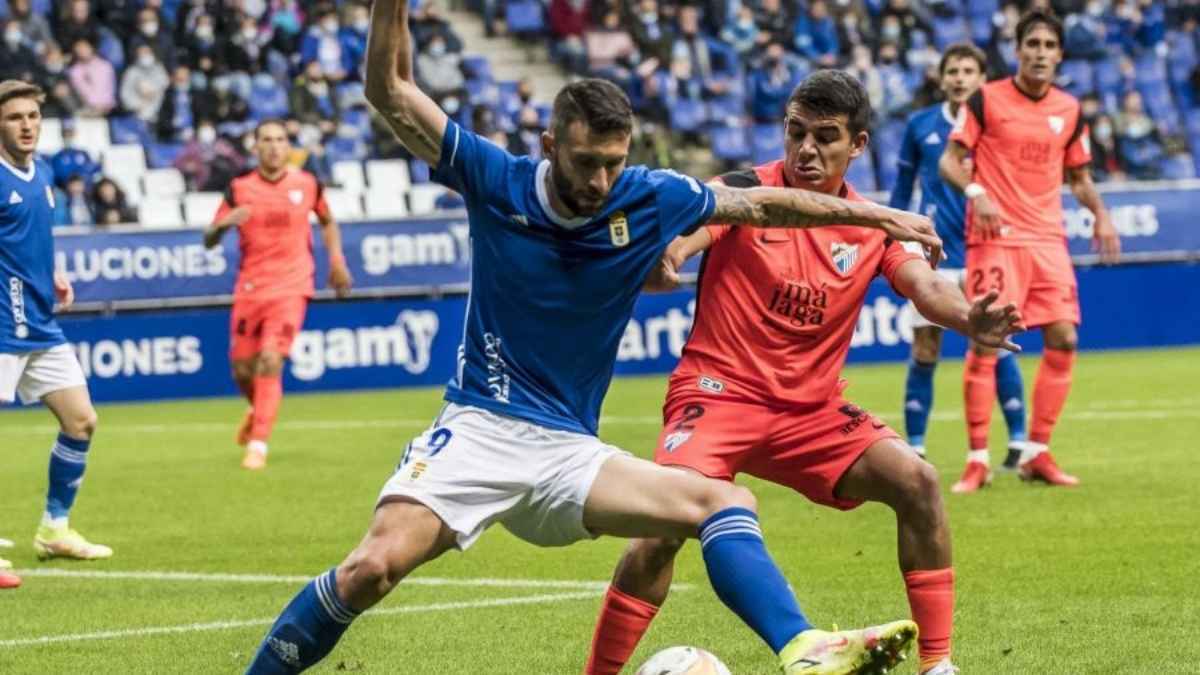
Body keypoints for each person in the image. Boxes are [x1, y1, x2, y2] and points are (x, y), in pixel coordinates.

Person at [243, 1, 944, 673]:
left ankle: (803, 648)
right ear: (551, 146)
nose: (603, 180)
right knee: (372, 567)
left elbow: (766, 203)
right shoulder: (496, 179)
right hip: (480, 429)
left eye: (615, 161)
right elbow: (390, 89)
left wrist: (881, 217)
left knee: (723, 502)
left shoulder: (648, 194)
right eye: (587, 163)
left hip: (569, 452)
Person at [584, 69, 1023, 675]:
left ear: (859, 146)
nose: (807, 149)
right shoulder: (744, 191)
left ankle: (938, 666)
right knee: (662, 530)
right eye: (796, 132)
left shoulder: (874, 224)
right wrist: (669, 258)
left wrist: (971, 317)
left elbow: (923, 287)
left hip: (810, 412)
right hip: (718, 395)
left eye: (826, 136)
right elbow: (685, 240)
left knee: (917, 483)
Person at [939, 9, 1121, 492]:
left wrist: (1101, 213)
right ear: (1018, 50)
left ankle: (1037, 452)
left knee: (1064, 338)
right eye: (1032, 44)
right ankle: (977, 459)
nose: (1040, 53)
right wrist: (978, 195)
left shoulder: (1070, 109)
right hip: (996, 241)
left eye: (1048, 45)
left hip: (1048, 241)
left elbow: (1079, 178)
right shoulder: (986, 98)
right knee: (985, 342)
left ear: (1060, 54)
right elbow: (951, 162)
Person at [890, 43, 1030, 467]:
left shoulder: (997, 125)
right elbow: (902, 188)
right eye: (953, 70)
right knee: (926, 346)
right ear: (942, 76)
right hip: (934, 252)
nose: (960, 78)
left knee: (994, 344)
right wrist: (891, 235)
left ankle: (1020, 442)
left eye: (969, 70)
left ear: (982, 78)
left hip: (985, 250)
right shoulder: (920, 126)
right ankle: (914, 446)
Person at [0, 81, 114, 592]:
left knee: (81, 420)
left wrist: (54, 276)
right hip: (2, 326)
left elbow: (34, 242)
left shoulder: (42, 173)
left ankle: (54, 528)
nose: (27, 125)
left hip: (41, 324)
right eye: (14, 118)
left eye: (32, 116)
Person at [203, 120, 353, 471]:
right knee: (242, 369)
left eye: (280, 140)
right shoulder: (239, 188)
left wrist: (336, 259)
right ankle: (258, 410)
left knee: (271, 360)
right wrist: (223, 226)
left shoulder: (308, 184)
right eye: (266, 140)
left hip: (293, 286)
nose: (273, 146)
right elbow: (208, 239)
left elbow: (328, 221)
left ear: (289, 147)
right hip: (251, 288)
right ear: (255, 147)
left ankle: (258, 444)